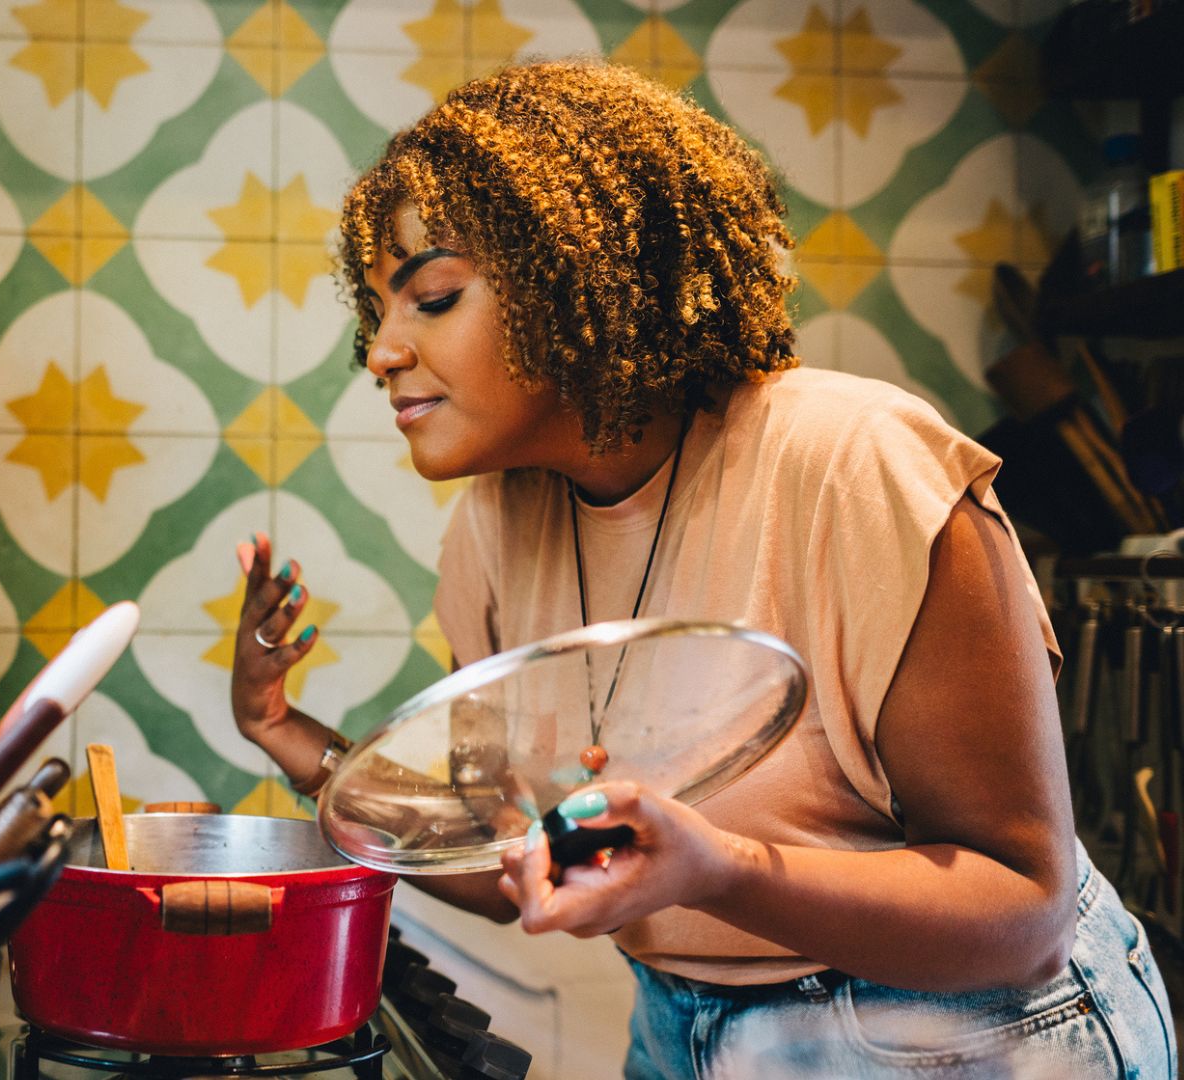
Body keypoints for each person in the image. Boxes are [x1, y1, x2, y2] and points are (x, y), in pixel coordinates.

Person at [228, 60, 1176, 1077]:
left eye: (435, 297)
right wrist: (286, 734)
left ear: (578, 278)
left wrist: (717, 868)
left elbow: (1018, 914)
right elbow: (523, 862)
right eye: (379, 311)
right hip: (686, 1030)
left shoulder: (858, 466)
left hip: (974, 1034)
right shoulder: (492, 531)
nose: (382, 352)